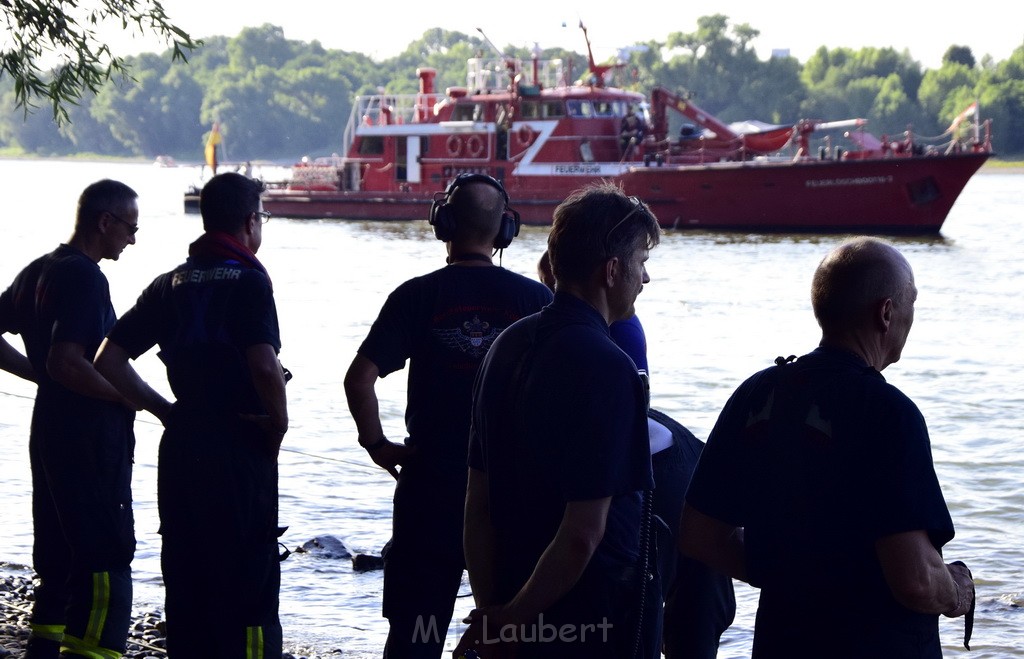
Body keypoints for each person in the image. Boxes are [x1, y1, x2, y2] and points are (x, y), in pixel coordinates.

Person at [679, 237, 976, 657]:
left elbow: (698, 536)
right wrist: (958, 591)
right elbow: (916, 581)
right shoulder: (889, 412)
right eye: (912, 303)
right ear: (886, 312)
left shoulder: (759, 393)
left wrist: (784, 574)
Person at [343, 173, 552, 658]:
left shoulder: (415, 296)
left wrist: (377, 445)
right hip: (510, 494)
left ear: (445, 223)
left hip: (429, 488)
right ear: (505, 230)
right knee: (509, 628)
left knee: (415, 630)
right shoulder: (538, 303)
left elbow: (359, 380)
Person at [456, 183, 661, 659]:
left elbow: (477, 504)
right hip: (588, 619)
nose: (645, 279)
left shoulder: (504, 346)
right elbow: (583, 533)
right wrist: (514, 621)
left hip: (510, 594)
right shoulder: (611, 367)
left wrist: (494, 611)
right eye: (641, 263)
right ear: (613, 270)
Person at [94, 172, 289, 657]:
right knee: (249, 581)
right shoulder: (248, 282)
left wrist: (164, 409)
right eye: (261, 218)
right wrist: (278, 423)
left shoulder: (168, 284)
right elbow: (264, 365)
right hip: (241, 443)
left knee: (187, 574)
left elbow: (108, 359)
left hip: (183, 447)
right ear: (249, 223)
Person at [539, 249, 736, 658]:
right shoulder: (607, 333)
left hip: (660, 483)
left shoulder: (577, 340)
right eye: (641, 265)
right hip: (680, 474)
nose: (645, 278)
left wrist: (509, 614)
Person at [0, 179, 143, 658]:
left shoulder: (39, 270)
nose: (132, 238)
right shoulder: (85, 277)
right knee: (105, 555)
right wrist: (122, 397)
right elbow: (67, 360)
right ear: (105, 222)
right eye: (129, 228)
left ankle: (43, 651)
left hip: (50, 429)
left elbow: (52, 367)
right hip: (88, 437)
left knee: (58, 553)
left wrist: (36, 374)